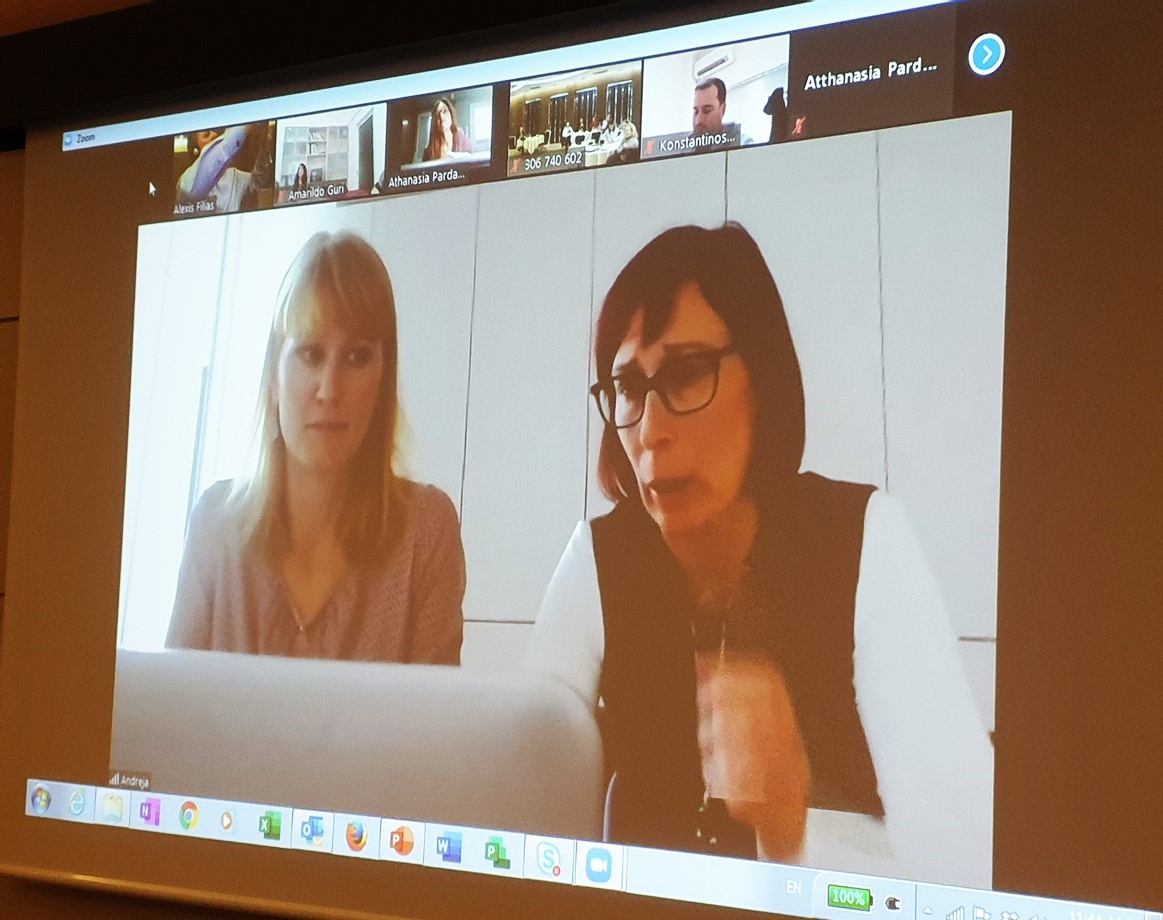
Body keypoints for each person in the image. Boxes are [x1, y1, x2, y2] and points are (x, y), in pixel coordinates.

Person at [528, 224, 991, 872]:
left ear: (763, 379)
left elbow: (971, 870)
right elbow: (523, 811)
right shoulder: (597, 560)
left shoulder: (865, 540)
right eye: (629, 388)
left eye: (688, 373)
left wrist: (792, 829)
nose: (651, 430)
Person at [167, 231, 465, 663]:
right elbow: (170, 702)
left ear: (383, 382)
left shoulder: (426, 533)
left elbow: (438, 707)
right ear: (273, 375)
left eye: (356, 358)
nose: (329, 390)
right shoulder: (214, 524)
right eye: (310, 354)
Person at [176, 125, 273, 213]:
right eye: (206, 135)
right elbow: (222, 151)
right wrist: (246, 123)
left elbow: (258, 181)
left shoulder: (234, 176)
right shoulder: (187, 180)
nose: (214, 135)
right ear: (195, 149)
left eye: (215, 133)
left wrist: (264, 144)